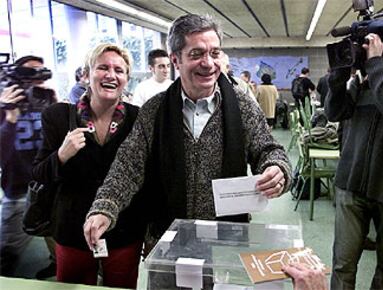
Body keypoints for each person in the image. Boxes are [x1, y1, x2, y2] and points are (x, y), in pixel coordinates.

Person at [83, 13, 291, 261]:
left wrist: (277, 168)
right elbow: (128, 166)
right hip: (166, 241)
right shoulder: (155, 110)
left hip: (225, 243)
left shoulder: (242, 106)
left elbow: (268, 149)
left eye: (214, 53)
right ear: (175, 60)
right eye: (196, 54)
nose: (209, 63)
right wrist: (105, 207)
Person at [31, 43, 144, 288]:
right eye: (102, 67)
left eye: (119, 70)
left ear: (126, 80)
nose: (111, 75)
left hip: (124, 230)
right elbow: (39, 173)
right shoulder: (58, 116)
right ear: (87, 74)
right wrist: (61, 154)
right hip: (72, 230)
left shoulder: (139, 119)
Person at [325, 5, 383, 290]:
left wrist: (375, 65)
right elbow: (335, 113)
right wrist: (340, 77)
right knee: (342, 265)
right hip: (351, 185)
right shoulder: (366, 73)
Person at [0, 55, 57, 277]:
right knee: (7, 254)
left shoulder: (46, 100)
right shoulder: (5, 104)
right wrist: (9, 115)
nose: (38, 77)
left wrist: (58, 108)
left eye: (41, 72)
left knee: (57, 237)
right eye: (31, 72)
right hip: (18, 190)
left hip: (49, 185)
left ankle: (56, 263)